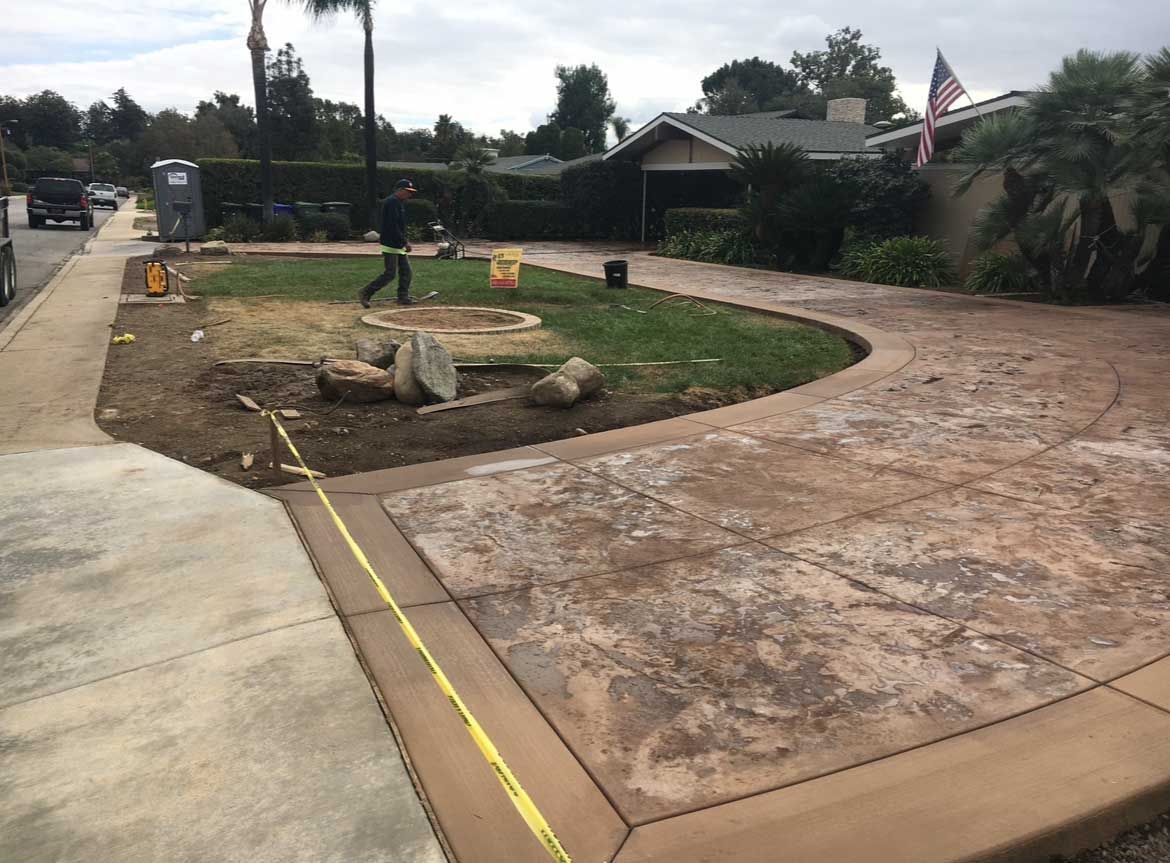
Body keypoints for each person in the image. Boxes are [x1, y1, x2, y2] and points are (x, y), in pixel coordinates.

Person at [358, 178, 418, 308]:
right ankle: (365, 292)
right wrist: (405, 241)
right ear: (399, 190)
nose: (409, 194)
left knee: (406, 272)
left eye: (411, 192)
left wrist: (403, 240)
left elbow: (399, 225)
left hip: (397, 243)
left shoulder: (398, 202)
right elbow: (392, 225)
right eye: (407, 191)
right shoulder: (392, 202)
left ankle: (403, 297)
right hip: (391, 243)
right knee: (390, 273)